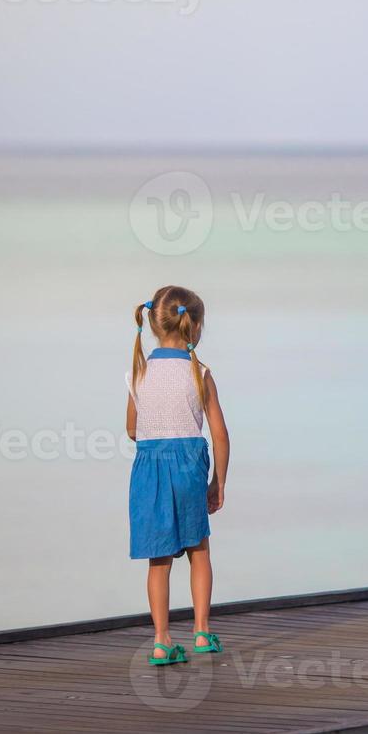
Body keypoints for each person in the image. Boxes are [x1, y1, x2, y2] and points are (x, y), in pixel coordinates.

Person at [126, 285, 230, 666]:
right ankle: (201, 632)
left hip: (150, 468)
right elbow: (219, 434)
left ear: (154, 324)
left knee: (159, 559)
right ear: (195, 326)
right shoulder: (199, 372)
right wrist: (218, 481)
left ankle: (161, 640)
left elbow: (131, 428)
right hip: (188, 463)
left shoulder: (138, 373)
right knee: (198, 550)